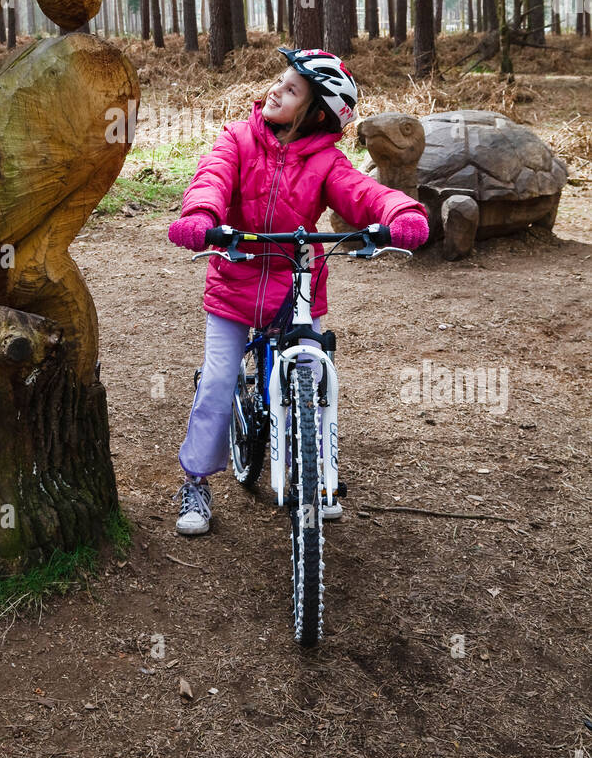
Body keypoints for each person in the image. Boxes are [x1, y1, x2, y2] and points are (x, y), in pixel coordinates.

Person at [167, 48, 430, 536]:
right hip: (235, 279)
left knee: (314, 378)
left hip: (296, 287)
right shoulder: (238, 140)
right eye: (279, 81)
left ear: (316, 113)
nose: (276, 90)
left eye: (292, 90)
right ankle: (197, 481)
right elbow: (212, 177)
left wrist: (399, 212)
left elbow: (363, 190)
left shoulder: (327, 161)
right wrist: (201, 216)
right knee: (220, 383)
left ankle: (317, 478)